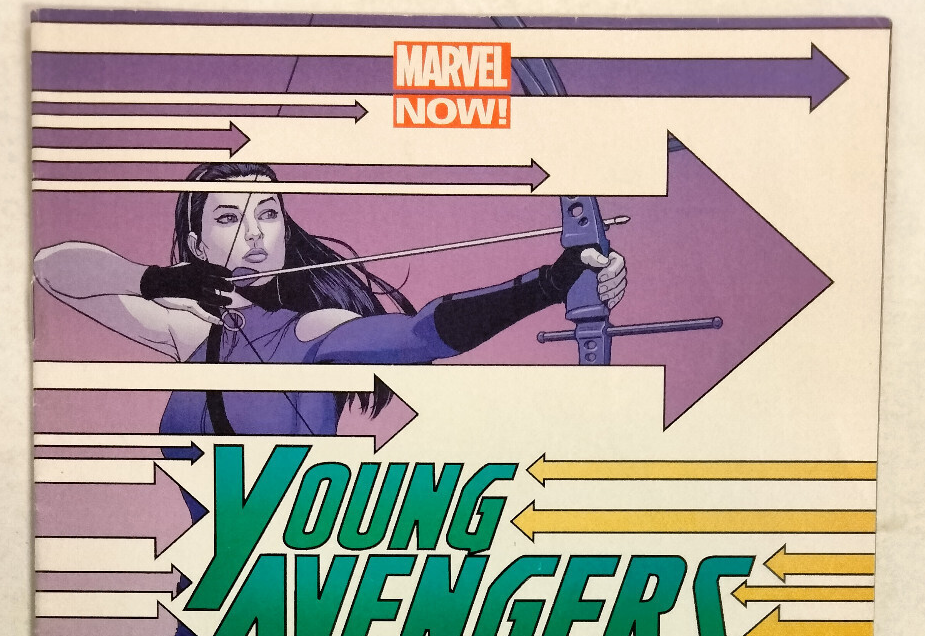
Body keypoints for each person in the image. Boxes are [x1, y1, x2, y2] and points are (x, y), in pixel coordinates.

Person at [33, 161, 627, 445]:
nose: (256, 233)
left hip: (294, 595)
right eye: (229, 217)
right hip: (211, 602)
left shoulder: (310, 331)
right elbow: (52, 270)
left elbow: (421, 334)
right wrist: (154, 280)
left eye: (269, 214)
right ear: (197, 244)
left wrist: (551, 283)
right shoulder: (189, 333)